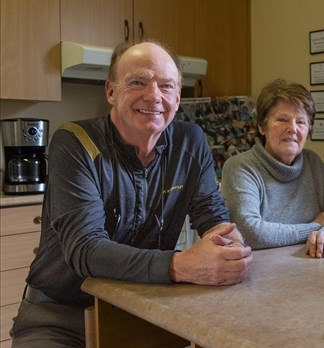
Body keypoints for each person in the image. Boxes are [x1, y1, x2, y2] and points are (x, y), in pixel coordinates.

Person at [9, 41, 253, 347]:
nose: (154, 96)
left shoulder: (191, 141)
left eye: (166, 86)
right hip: (61, 316)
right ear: (111, 91)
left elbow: (212, 214)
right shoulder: (74, 142)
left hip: (147, 309)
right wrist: (181, 265)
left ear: (177, 98)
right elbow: (86, 249)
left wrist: (229, 247)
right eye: (138, 82)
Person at [221, 79, 324, 258]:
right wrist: (315, 226)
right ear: (262, 126)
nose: (292, 129)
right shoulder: (240, 167)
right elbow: (249, 232)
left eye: (300, 122)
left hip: (311, 269)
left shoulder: (312, 162)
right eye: (282, 120)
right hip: (261, 277)